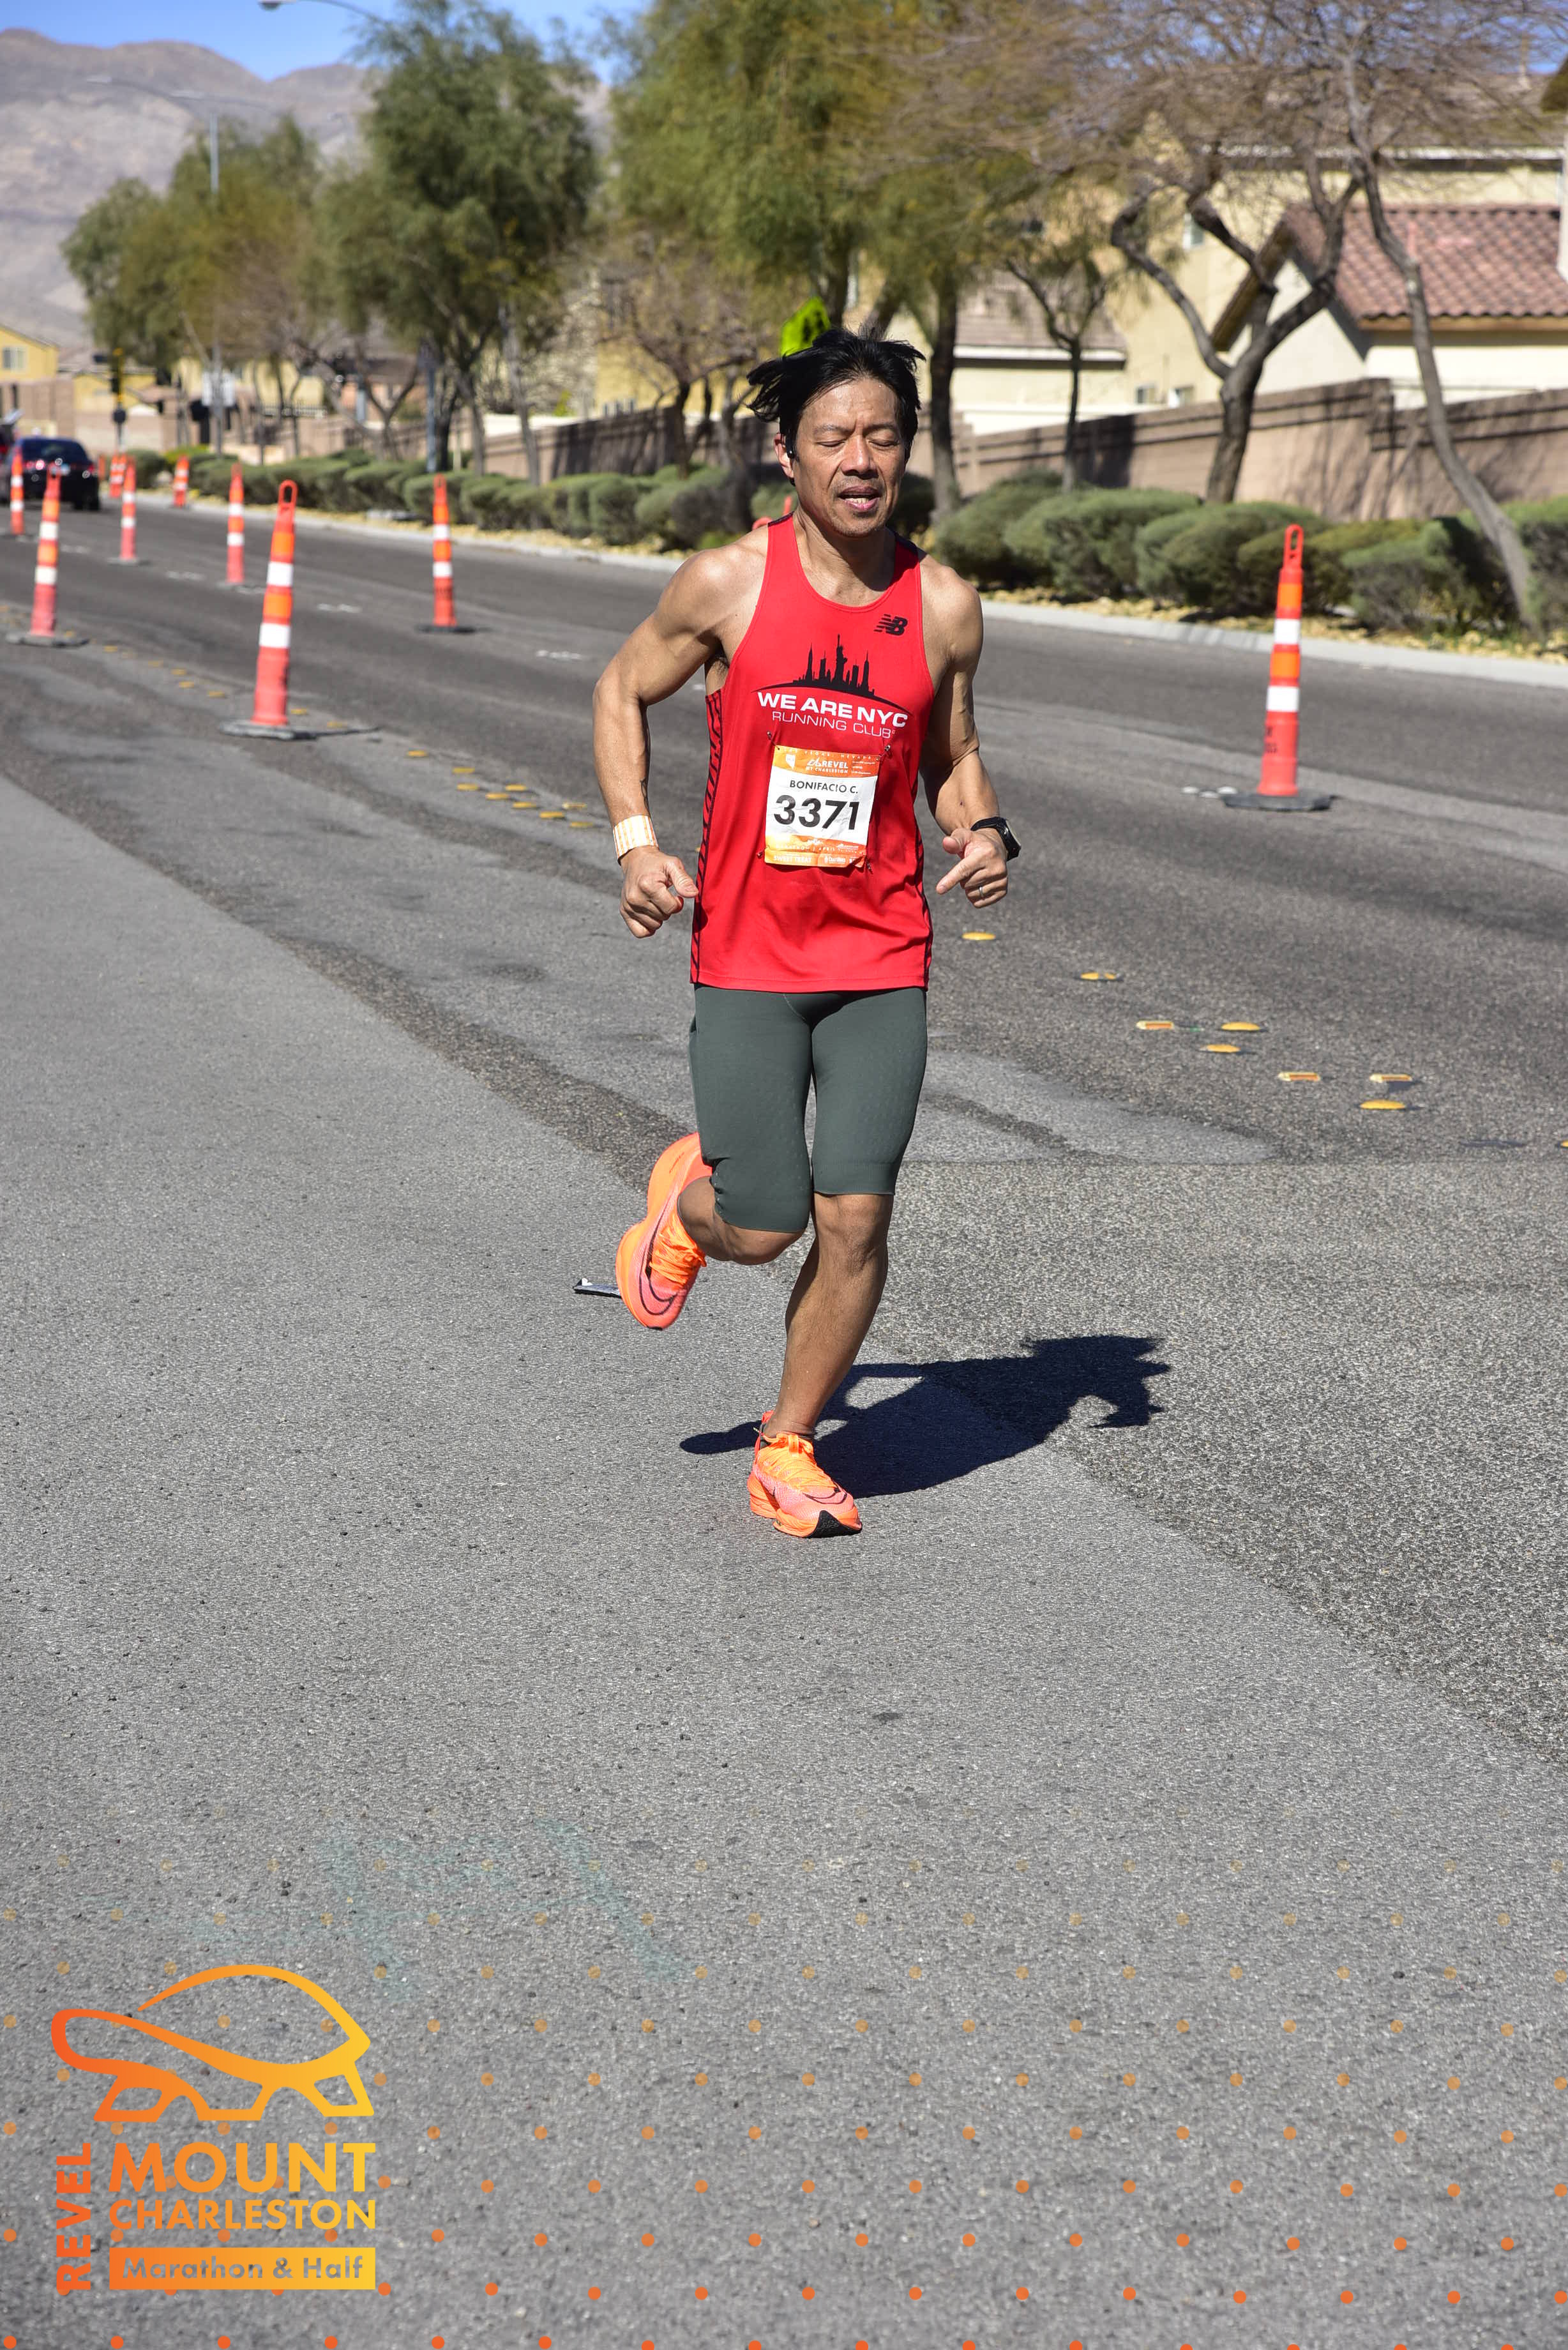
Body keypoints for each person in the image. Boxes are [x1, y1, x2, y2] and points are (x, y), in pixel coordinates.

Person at [592, 328, 1020, 1538]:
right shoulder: (727, 584)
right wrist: (636, 841)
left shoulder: (943, 605)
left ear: (908, 450)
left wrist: (986, 830)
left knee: (857, 1214)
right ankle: (686, 1212)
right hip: (748, 953)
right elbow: (620, 688)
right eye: (834, 438)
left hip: (880, 954)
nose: (860, 460)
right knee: (765, 1220)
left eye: (882, 436)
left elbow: (954, 754)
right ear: (789, 453)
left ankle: (787, 1443)